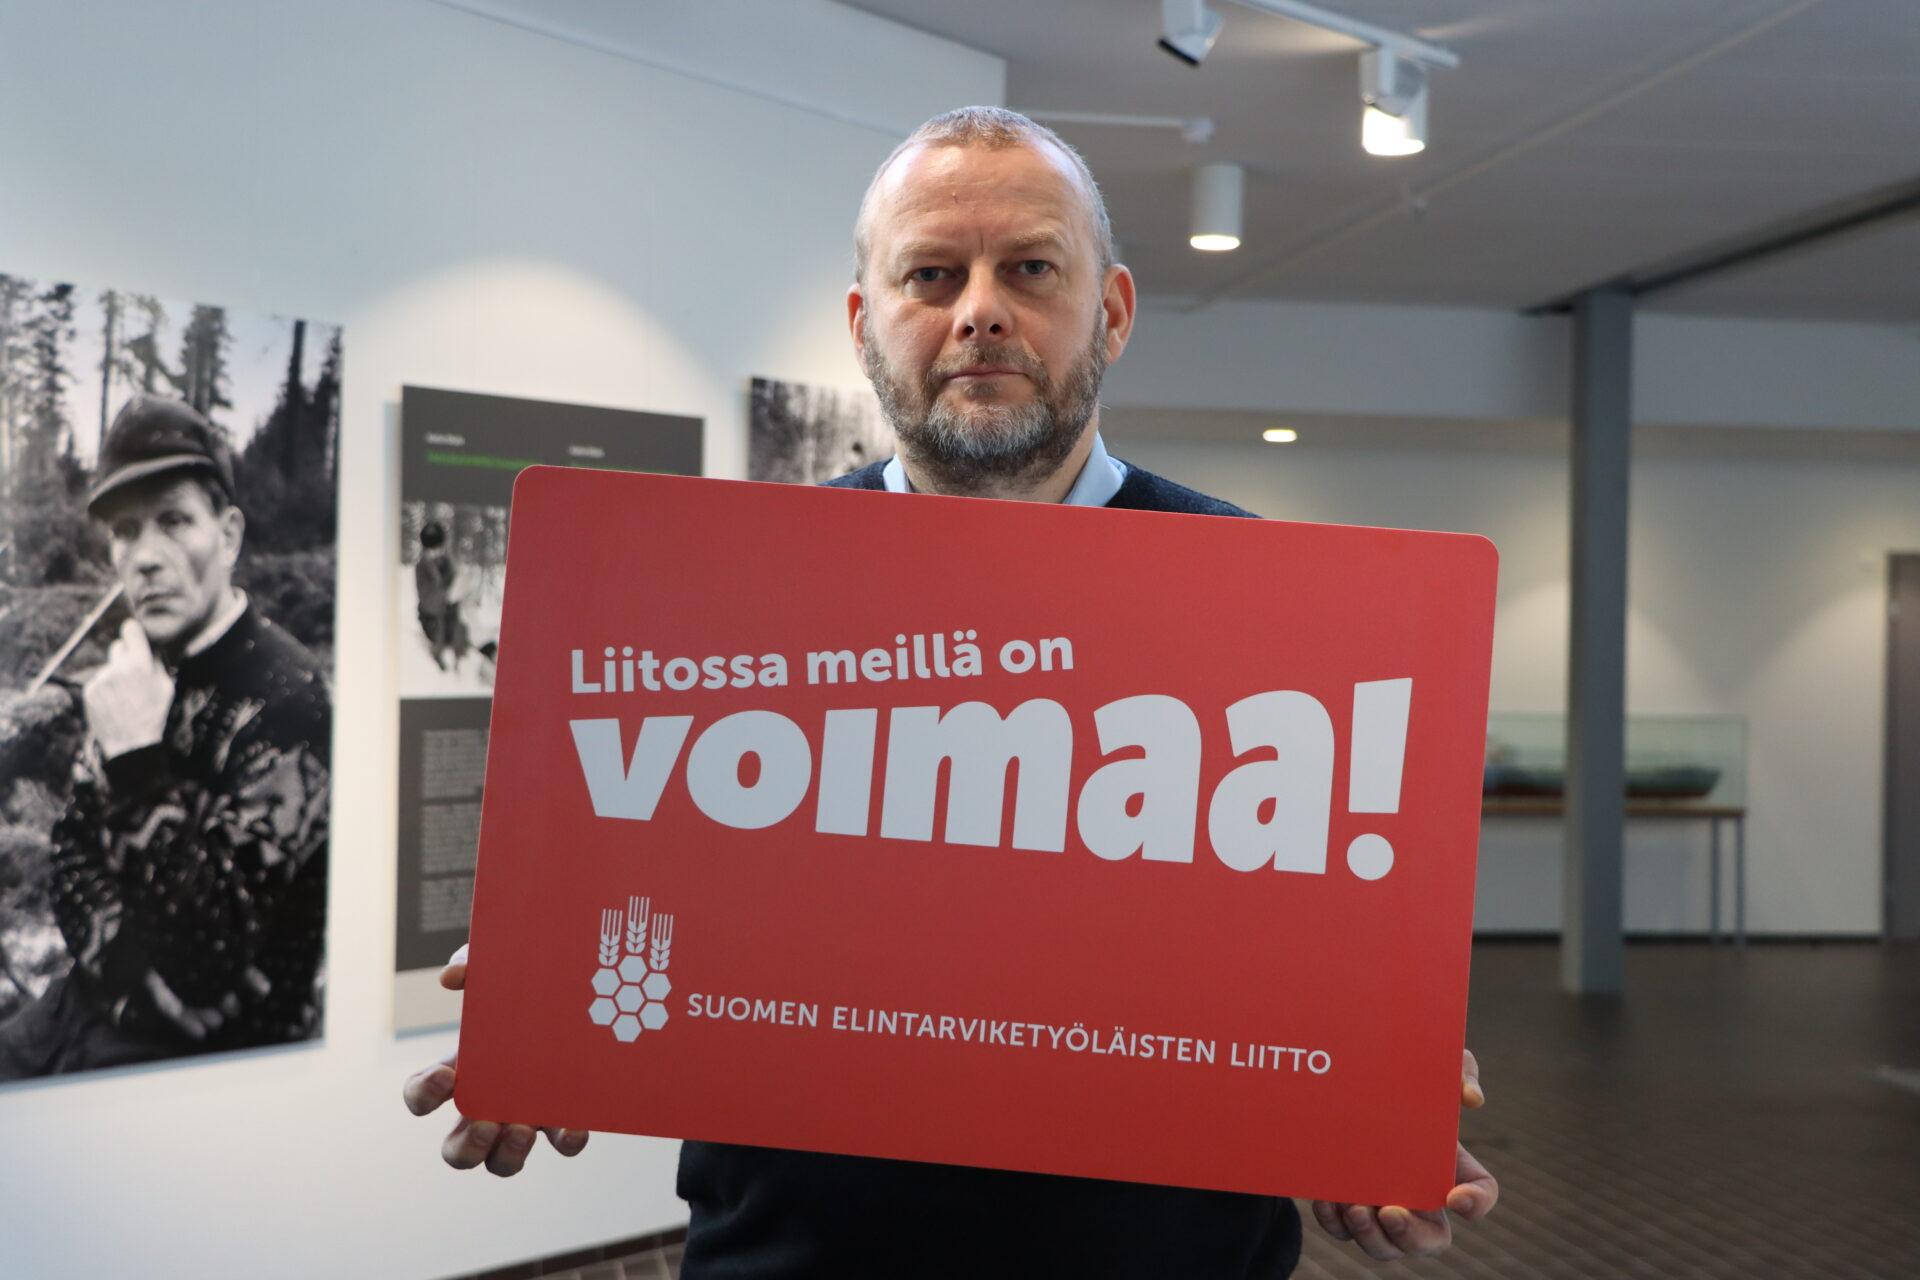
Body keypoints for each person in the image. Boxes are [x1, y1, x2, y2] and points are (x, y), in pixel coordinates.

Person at [404, 107, 1498, 1274]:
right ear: (863, 323)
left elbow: (1305, 968)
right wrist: (547, 1011)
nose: (980, 309)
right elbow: (658, 909)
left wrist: (1369, 1099)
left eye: (1030, 268)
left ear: (1113, 311)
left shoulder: (1277, 606)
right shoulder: (733, 592)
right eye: (932, 274)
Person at [0, 395, 331, 1077]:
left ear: (228, 535)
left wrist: (138, 763)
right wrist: (134, 986)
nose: (146, 557)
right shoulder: (135, 670)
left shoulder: (288, 696)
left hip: (213, 1058)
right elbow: (72, 860)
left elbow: (207, 962)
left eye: (174, 521)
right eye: (126, 530)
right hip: (102, 1009)